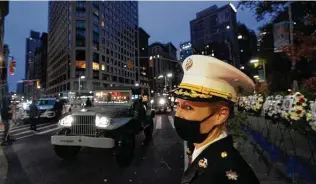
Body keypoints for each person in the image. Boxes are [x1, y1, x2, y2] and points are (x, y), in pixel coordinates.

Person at [170, 55, 259, 184]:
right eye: (178, 105)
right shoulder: (199, 147)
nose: (178, 114)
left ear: (221, 115)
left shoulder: (229, 173)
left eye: (188, 107)